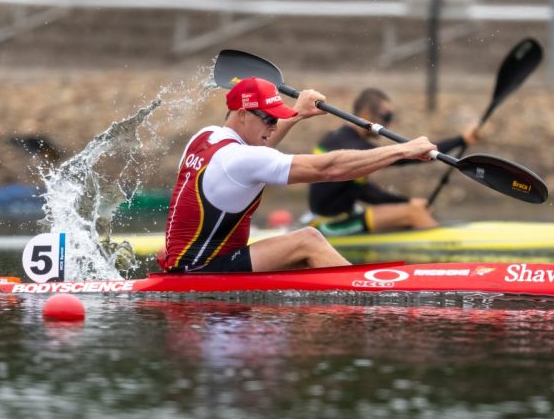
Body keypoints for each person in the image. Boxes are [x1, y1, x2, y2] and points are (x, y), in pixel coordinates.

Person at [157, 77, 436, 274]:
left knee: (302, 257)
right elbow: (327, 169)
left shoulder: (205, 136)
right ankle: (375, 292)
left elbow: (256, 150)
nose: (274, 126)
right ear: (242, 115)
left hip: (186, 263)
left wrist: (299, 113)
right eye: (269, 119)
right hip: (202, 272)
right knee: (307, 241)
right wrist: (402, 150)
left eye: (277, 118)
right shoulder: (241, 158)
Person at [307, 87, 480, 235]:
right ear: (366, 114)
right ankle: (447, 252)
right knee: (413, 212)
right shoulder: (355, 148)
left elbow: (360, 191)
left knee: (411, 210)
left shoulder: (334, 138)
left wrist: (406, 202)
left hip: (335, 216)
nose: (387, 124)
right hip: (329, 226)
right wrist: (408, 203)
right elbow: (369, 192)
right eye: (386, 117)